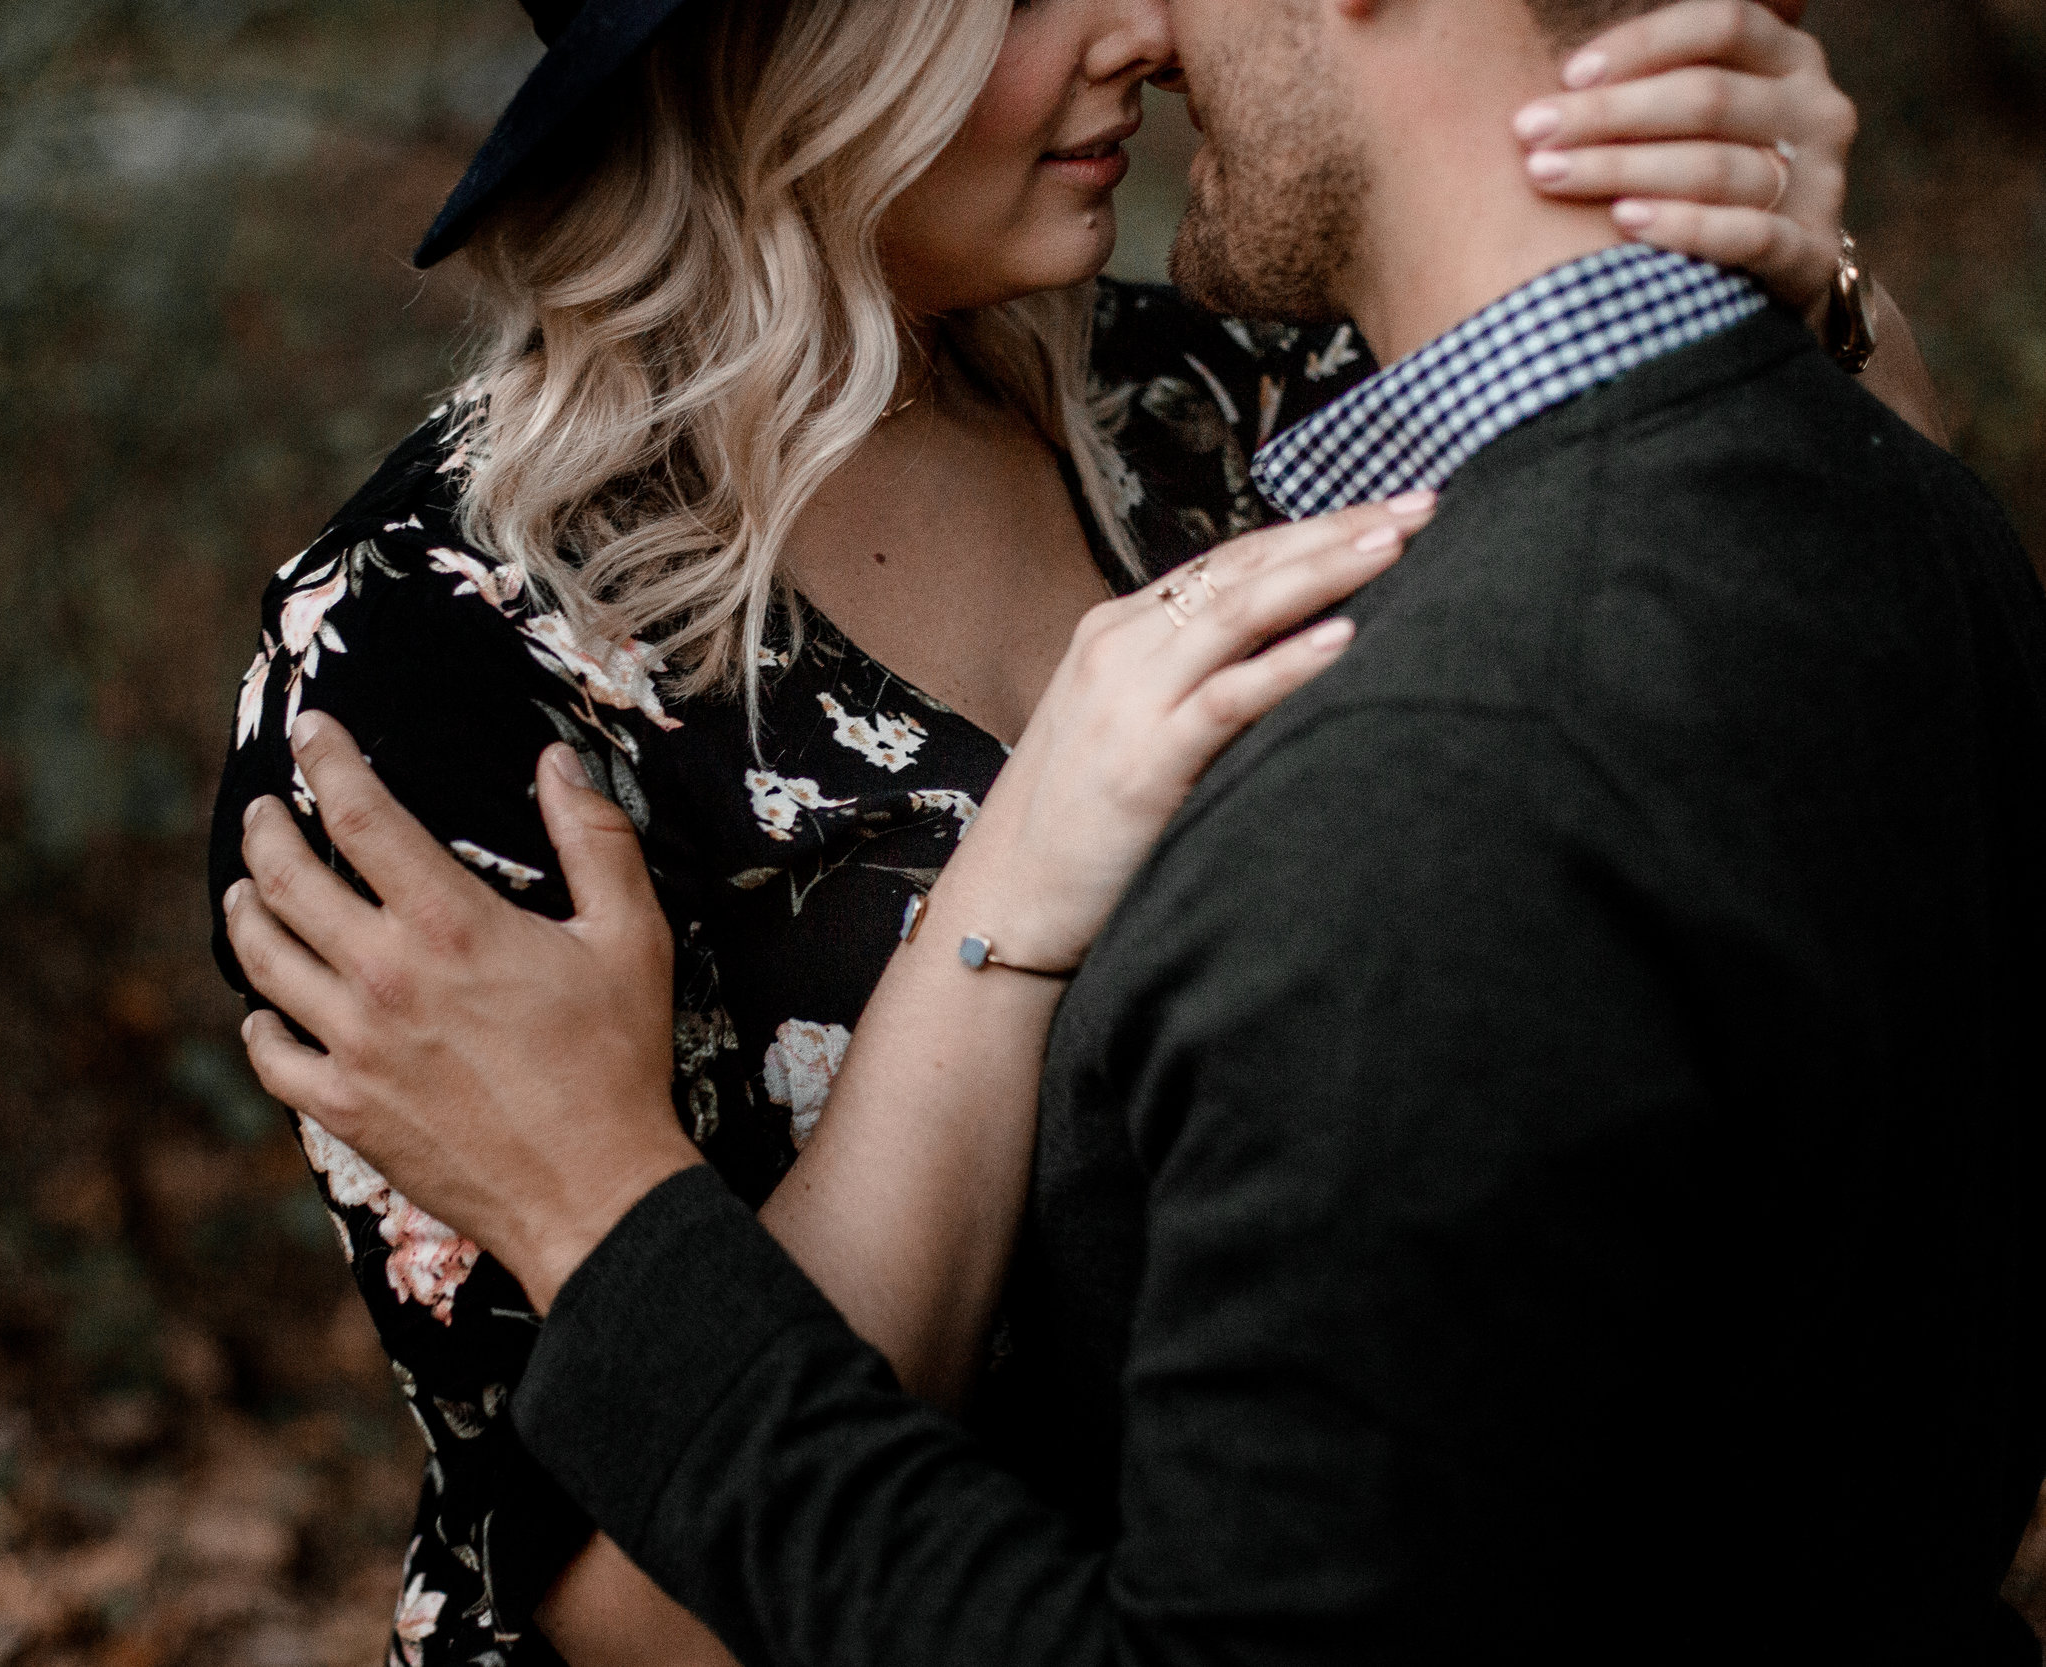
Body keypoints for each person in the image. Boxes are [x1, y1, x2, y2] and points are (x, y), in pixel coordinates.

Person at [220, 0, 2046, 1661]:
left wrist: (1785, 271)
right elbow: (642, 1623)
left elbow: (1835, 687)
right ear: (769, 61)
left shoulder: (1224, 394)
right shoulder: (439, 654)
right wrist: (1002, 900)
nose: (1144, 25)